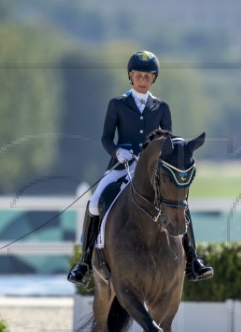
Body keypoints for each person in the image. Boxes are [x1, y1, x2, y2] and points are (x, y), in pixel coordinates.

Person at [67, 50, 213, 286]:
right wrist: (117, 151)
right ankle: (84, 263)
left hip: (152, 170)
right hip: (121, 165)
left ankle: (194, 260)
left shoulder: (161, 107)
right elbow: (105, 138)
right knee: (94, 203)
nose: (143, 81)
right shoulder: (117, 104)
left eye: (147, 77)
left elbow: (168, 141)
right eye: (139, 76)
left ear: (153, 79)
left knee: (180, 205)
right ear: (131, 76)